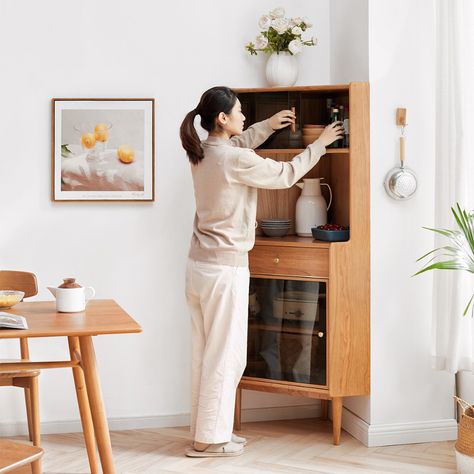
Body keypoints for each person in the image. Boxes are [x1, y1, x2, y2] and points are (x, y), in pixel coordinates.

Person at [180, 86, 343, 458]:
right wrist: (321, 144)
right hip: (224, 270)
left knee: (205, 352)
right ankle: (209, 440)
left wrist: (268, 125)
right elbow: (286, 174)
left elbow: (241, 145)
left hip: (199, 267)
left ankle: (209, 432)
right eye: (239, 112)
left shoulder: (203, 150)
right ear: (223, 119)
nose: (242, 117)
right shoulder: (232, 159)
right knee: (226, 355)